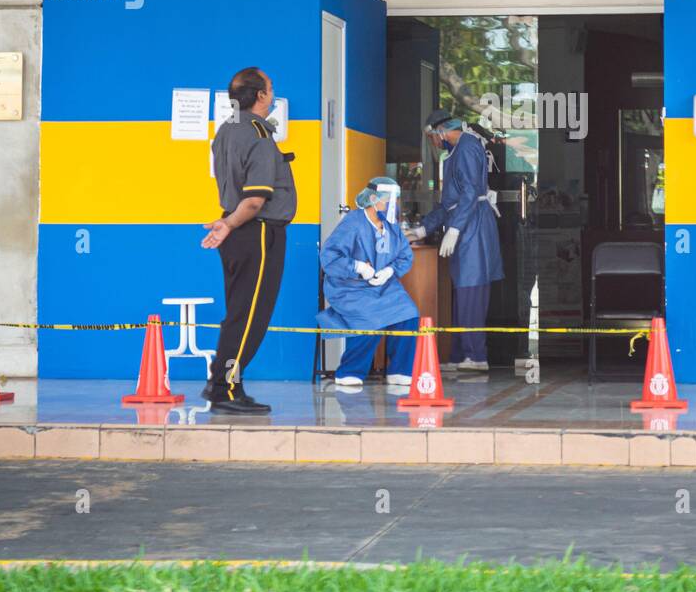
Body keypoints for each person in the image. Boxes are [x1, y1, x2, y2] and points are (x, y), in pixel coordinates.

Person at [201, 67, 295, 414]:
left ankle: (225, 383)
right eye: (270, 88)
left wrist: (228, 224)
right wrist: (229, 223)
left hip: (240, 233)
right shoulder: (256, 133)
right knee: (251, 314)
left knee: (239, 311)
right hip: (256, 231)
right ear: (260, 96)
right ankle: (224, 388)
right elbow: (255, 199)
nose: (272, 93)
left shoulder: (226, 130)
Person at [406, 109, 503, 372]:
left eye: (431, 137)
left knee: (471, 292)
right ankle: (462, 354)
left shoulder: (468, 147)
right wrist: (423, 230)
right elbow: (448, 204)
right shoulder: (455, 153)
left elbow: (471, 192)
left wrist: (456, 229)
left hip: (473, 229)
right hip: (464, 226)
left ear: (441, 130)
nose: (433, 143)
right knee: (463, 293)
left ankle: (476, 355)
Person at [319, 176, 419, 388]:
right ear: (373, 199)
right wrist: (358, 268)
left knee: (408, 313)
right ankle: (350, 370)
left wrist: (390, 270)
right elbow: (329, 256)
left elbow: (405, 256)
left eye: (396, 200)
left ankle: (401, 370)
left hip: (383, 285)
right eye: (389, 199)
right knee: (370, 317)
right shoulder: (353, 222)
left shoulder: (391, 226)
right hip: (349, 287)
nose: (394, 205)